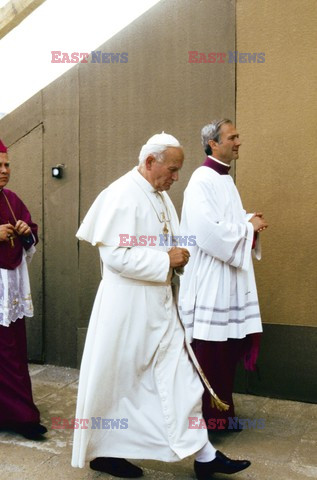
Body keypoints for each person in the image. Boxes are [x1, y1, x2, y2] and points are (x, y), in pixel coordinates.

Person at [71, 132, 251, 479]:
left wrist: (178, 260)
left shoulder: (160, 195)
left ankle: (204, 455)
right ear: (150, 161)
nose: (175, 177)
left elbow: (173, 243)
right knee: (120, 386)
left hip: (160, 305)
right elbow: (115, 255)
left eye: (178, 170)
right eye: (171, 169)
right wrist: (165, 260)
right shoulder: (122, 194)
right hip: (126, 309)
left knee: (181, 380)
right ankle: (105, 451)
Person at [179, 119, 268, 431]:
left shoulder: (224, 179)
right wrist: (248, 229)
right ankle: (206, 421)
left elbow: (223, 221)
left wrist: (246, 219)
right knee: (211, 352)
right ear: (213, 143)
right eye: (233, 137)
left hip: (225, 279)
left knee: (226, 349)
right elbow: (207, 234)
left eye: (238, 136)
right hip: (210, 281)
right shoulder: (201, 180)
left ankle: (221, 415)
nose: (238, 142)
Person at [0, 139, 47, 440]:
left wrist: (27, 232)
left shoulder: (11, 198)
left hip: (9, 287)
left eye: (7, 165)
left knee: (12, 350)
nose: (5, 170)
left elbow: (31, 232)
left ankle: (20, 414)